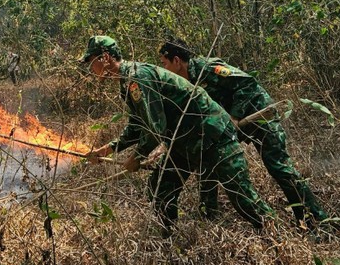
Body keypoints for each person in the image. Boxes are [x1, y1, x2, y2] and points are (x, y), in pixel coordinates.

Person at [80, 35, 274, 235]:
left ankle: (277, 234)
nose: (90, 68)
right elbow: (138, 125)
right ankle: (169, 241)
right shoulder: (127, 82)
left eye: (91, 61)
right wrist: (110, 148)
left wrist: (137, 157)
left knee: (243, 199)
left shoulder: (137, 77)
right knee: (160, 188)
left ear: (105, 57)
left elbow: (156, 127)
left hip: (213, 136)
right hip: (184, 141)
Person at [158, 37, 333, 229]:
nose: (163, 69)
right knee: (207, 161)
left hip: (260, 117)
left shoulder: (208, 68)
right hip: (234, 127)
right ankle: (209, 216)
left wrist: (234, 116)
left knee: (280, 169)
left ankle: (316, 220)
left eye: (164, 63)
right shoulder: (186, 83)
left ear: (176, 61)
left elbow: (247, 84)